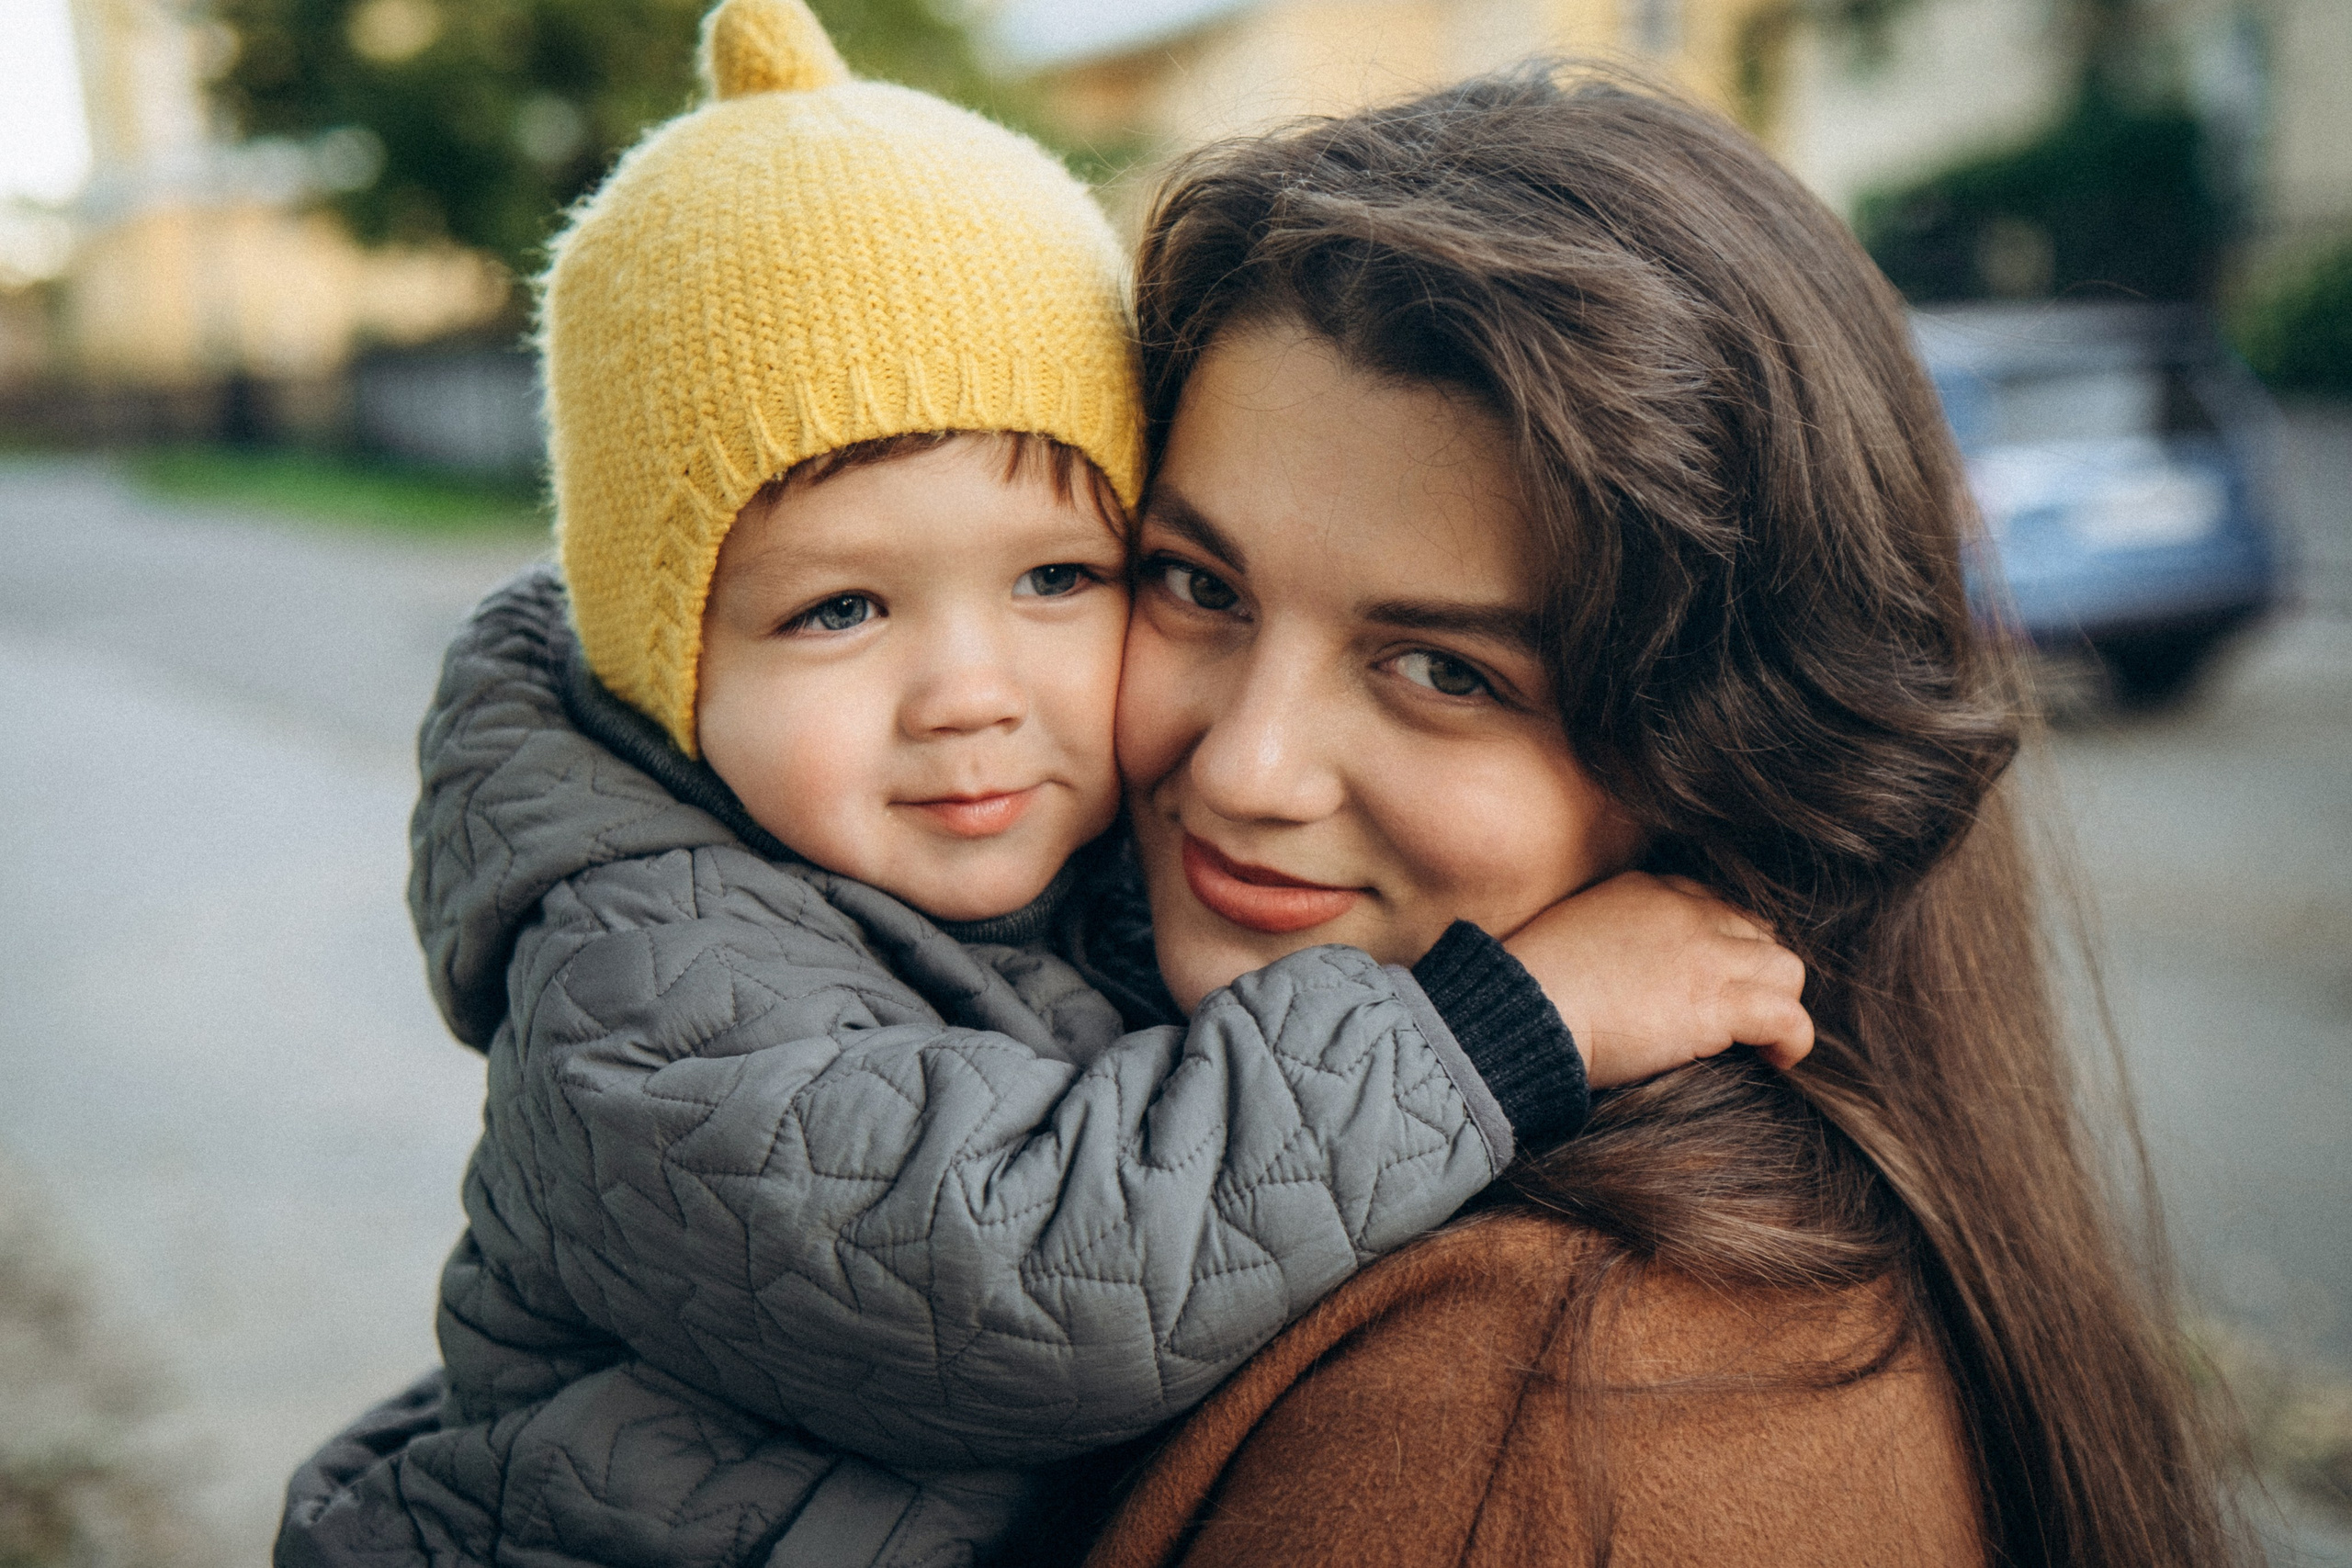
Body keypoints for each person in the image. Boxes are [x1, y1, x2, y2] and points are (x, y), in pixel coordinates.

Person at [274, 7, 1814, 1567]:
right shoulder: (641, 977)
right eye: (840, 611)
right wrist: (1503, 1029)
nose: (970, 696)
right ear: (669, 665)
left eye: (1063, 577)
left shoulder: (1048, 879)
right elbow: (1017, 1275)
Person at [1079, 69, 2245, 1568]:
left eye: (1447, 670)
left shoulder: (1528, 1417)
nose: (1247, 767)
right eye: (1198, 585)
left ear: (1735, 757)